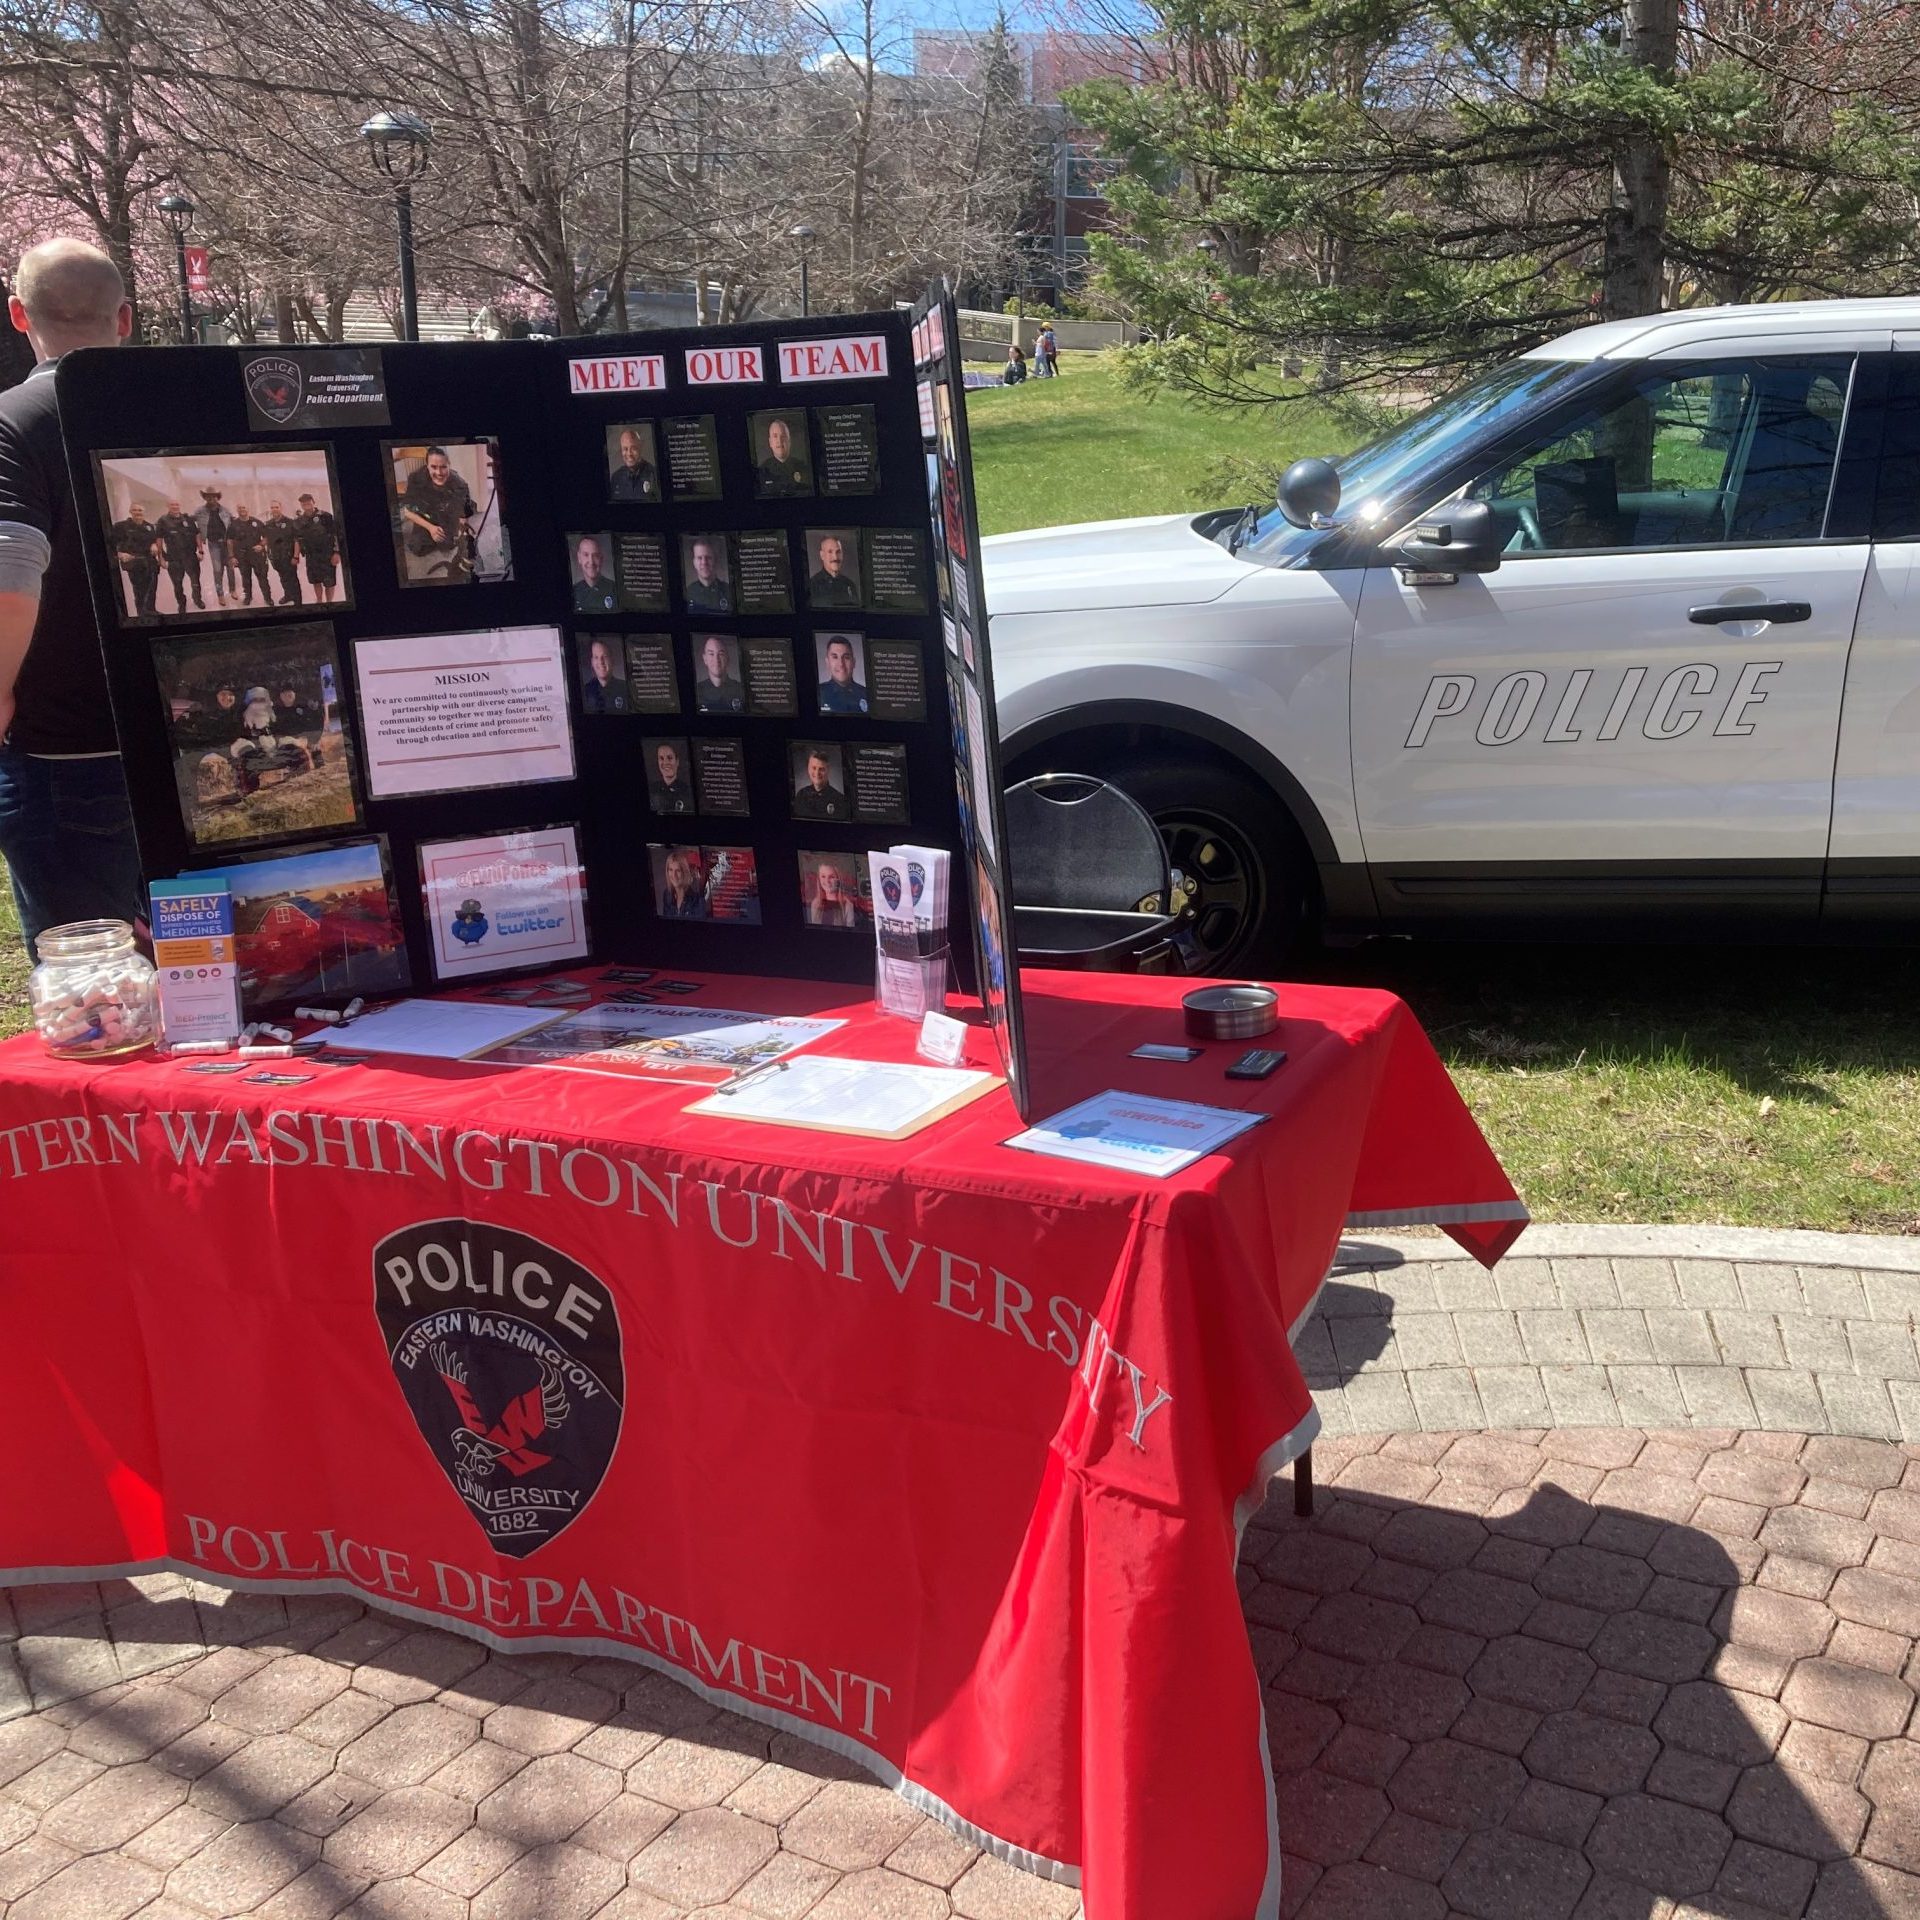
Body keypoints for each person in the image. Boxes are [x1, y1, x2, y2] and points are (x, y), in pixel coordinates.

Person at [0, 238, 146, 956]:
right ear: (124, 319)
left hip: (64, 753)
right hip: (186, 746)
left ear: (19, 316)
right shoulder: (185, 410)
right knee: (216, 982)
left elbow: (9, 573)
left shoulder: (12, 425)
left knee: (100, 995)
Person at [398, 446, 475, 584]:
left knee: (448, 545)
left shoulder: (460, 484)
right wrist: (431, 528)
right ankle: (430, 535)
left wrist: (462, 532)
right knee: (417, 549)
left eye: (443, 467)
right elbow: (407, 511)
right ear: (427, 466)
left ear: (449, 465)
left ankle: (443, 537)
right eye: (433, 467)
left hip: (446, 517)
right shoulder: (415, 478)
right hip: (425, 518)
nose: (439, 472)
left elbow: (463, 515)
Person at [108, 501, 162, 618]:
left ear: (144, 512)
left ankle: (152, 610)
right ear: (130, 511)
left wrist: (154, 545)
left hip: (150, 562)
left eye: (140, 510)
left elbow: (154, 541)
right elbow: (110, 544)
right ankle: (142, 615)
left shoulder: (149, 526)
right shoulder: (121, 526)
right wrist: (119, 554)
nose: (138, 512)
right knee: (140, 590)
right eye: (135, 510)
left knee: (152, 589)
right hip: (135, 562)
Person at [155, 499, 204, 614]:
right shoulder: (163, 521)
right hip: (173, 558)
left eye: (177, 504)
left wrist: (201, 551)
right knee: (177, 583)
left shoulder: (188, 519)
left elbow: (197, 534)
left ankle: (197, 599)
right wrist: (161, 558)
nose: (175, 506)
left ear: (180, 505)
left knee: (195, 581)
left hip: (190, 556)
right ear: (167, 506)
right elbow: (159, 540)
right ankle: (181, 603)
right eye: (172, 504)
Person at [293, 492, 340, 604]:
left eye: (309, 502)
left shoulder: (325, 516)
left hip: (327, 554)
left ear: (313, 502)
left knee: (329, 582)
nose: (306, 505)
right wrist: (296, 556)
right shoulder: (299, 521)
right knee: (316, 581)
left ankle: (329, 603)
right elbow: (297, 540)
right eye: (304, 503)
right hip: (311, 555)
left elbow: (335, 535)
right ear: (301, 505)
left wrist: (337, 553)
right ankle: (319, 601)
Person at [195, 487, 234, 606]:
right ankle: (220, 594)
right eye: (208, 496)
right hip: (214, 544)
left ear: (217, 497)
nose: (211, 498)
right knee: (217, 570)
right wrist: (199, 547)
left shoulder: (225, 511)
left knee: (230, 567)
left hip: (227, 543)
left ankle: (232, 590)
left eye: (213, 496)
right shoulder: (200, 511)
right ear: (205, 497)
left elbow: (233, 525)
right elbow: (191, 527)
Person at [226, 504, 270, 607]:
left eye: (244, 507)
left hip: (257, 555)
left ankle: (268, 598)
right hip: (242, 556)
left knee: (262, 578)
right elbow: (229, 541)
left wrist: (261, 545)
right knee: (245, 578)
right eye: (240, 508)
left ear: (248, 509)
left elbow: (266, 536)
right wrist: (232, 556)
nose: (242, 510)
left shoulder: (257, 522)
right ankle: (248, 597)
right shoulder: (233, 524)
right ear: (237, 510)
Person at [815, 635, 869, 715]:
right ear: (827, 662)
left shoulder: (867, 694)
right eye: (835, 657)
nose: (841, 664)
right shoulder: (818, 693)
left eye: (846, 657)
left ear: (853, 662)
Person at [263, 498, 303, 606]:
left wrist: (296, 556)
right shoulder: (268, 524)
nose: (274, 509)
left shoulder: (290, 522)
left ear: (281, 508)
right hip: (276, 558)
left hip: (289, 557)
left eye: (276, 507)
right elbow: (266, 539)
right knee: (283, 578)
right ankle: (288, 595)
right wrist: (259, 545)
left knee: (293, 579)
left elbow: (296, 541)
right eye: (272, 507)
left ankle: (298, 602)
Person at [756, 416, 809, 496]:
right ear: (770, 442)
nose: (779, 441)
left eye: (783, 436)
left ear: (789, 441)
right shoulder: (762, 472)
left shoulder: (804, 468)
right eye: (775, 436)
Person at [792, 746, 847, 820]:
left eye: (821, 769)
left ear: (828, 770)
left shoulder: (839, 800)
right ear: (808, 769)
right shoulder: (800, 796)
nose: (817, 773)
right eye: (814, 768)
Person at [693, 635, 744, 714]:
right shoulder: (696, 690)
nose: (716, 659)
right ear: (705, 659)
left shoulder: (741, 689)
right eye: (711, 654)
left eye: (721, 654)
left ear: (727, 658)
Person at [807, 533, 860, 610]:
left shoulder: (850, 585)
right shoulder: (812, 585)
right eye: (830, 552)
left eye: (838, 552)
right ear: (822, 555)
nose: (835, 557)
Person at [608, 427, 658, 503]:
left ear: (640, 448)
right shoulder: (615, 478)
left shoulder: (655, 474)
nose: (629, 454)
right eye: (625, 449)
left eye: (633, 448)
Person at [658, 847, 709, 919]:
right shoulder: (667, 895)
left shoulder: (696, 900)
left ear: (685, 872)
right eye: (670, 870)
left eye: (678, 870)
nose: (674, 875)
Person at [572, 534, 617, 614]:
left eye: (595, 555)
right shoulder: (573, 592)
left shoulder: (615, 590)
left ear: (601, 559)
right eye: (586, 555)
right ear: (579, 558)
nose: (591, 562)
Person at [683, 536, 730, 613]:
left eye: (708, 557)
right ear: (694, 562)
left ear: (715, 560)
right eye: (699, 558)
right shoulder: (688, 593)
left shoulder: (728, 590)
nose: (704, 562)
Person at [807, 858, 857, 927]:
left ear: (838, 879)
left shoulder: (848, 906)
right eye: (823, 876)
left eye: (831, 877)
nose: (827, 881)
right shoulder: (815, 903)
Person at [580, 637, 623, 714]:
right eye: (596, 657)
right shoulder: (584, 692)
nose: (601, 662)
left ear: (612, 660)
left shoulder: (625, 688)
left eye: (605, 656)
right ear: (592, 662)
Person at [649, 740, 692, 814]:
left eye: (670, 757)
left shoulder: (687, 791)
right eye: (661, 758)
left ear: (677, 761)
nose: (665, 762)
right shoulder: (652, 789)